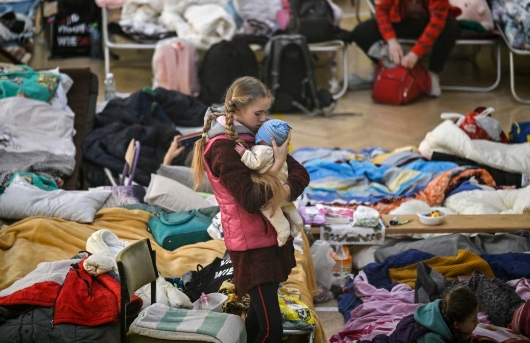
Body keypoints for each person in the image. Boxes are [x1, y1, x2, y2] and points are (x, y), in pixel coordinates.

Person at [191, 76, 310, 343]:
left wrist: (277, 193)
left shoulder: (256, 134)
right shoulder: (222, 147)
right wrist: (278, 167)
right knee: (271, 330)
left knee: (258, 321)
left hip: (269, 239)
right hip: (251, 246)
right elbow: (250, 199)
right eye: (259, 112)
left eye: (266, 111)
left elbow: (302, 173)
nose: (264, 118)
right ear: (238, 109)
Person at [349, 0, 461, 97]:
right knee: (361, 31)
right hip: (401, 20)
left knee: (451, 25)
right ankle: (390, 64)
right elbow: (381, 9)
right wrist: (391, 41)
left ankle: (431, 74)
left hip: (427, 21)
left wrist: (415, 53)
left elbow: (437, 22)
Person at [234, 119, 304, 247]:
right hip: (284, 188)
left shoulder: (262, 150)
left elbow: (255, 164)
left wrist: (245, 153)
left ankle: (283, 231)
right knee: (289, 206)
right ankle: (298, 223)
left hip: (272, 192)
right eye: (258, 114)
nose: (262, 118)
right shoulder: (277, 152)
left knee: (270, 210)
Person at [361, 286, 479, 343]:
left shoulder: (443, 310)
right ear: (457, 325)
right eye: (474, 319)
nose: (478, 322)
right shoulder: (432, 339)